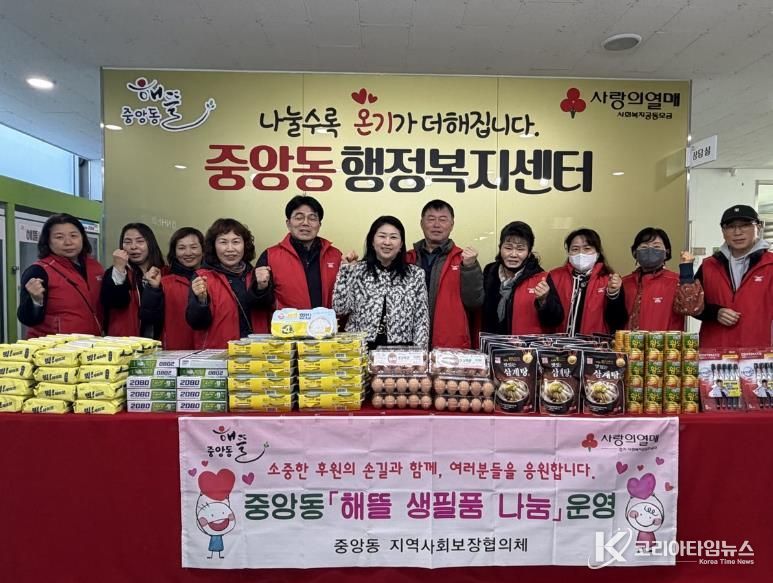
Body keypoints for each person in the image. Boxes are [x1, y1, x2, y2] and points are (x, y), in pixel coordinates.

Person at [332, 216, 429, 349]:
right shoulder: (357, 270)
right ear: (372, 241)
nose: (387, 242)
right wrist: (346, 271)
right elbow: (339, 308)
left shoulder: (415, 274)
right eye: (382, 236)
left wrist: (420, 355)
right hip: (361, 349)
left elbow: (421, 321)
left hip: (401, 351)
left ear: (401, 244)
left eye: (393, 237)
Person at [688, 205, 772, 349]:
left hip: (759, 353)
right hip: (715, 352)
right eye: (731, 227)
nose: (737, 232)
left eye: (745, 225)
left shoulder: (770, 264)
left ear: (758, 227)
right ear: (723, 231)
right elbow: (691, 305)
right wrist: (715, 313)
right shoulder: (709, 265)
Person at [406, 200, 483, 349]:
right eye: (431, 219)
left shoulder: (464, 259)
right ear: (421, 223)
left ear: (452, 225)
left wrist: (470, 268)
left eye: (443, 219)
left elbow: (474, 302)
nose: (436, 225)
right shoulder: (407, 259)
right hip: (410, 343)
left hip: (450, 345)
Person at [256, 195, 352, 310]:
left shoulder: (335, 255)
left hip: (326, 321)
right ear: (288, 223)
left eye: (312, 218)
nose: (305, 223)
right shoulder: (270, 256)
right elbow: (258, 305)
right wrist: (261, 288)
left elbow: (347, 299)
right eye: (299, 217)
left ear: (319, 225)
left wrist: (352, 274)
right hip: (287, 322)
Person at [186, 218, 269, 348]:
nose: (230, 249)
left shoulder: (257, 275)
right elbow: (197, 323)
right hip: (219, 353)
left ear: (245, 245)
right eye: (223, 242)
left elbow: (266, 311)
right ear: (213, 246)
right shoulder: (202, 277)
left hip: (257, 351)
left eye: (236, 242)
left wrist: (262, 288)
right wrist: (201, 301)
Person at [17, 213, 104, 337]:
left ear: (82, 238)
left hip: (92, 343)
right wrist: (35, 301)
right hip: (54, 346)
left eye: (73, 236)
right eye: (59, 237)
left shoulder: (95, 267)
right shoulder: (38, 271)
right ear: (48, 241)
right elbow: (27, 319)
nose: (68, 242)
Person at [481, 221, 563, 335]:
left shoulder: (540, 278)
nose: (513, 254)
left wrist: (544, 301)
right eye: (508, 248)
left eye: (520, 249)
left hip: (523, 345)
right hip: (490, 342)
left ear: (529, 253)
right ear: (500, 248)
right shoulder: (490, 271)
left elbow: (555, 320)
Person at [547, 228, 626, 336]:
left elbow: (618, 322)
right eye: (575, 249)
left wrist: (613, 295)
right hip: (560, 344)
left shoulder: (610, 279)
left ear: (597, 253)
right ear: (568, 253)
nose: (581, 253)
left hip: (595, 344)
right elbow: (549, 319)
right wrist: (543, 300)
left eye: (587, 248)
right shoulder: (554, 276)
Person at [141, 227, 204, 349]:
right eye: (181, 248)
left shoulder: (212, 280)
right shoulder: (164, 282)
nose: (188, 253)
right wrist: (153, 289)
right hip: (173, 352)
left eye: (194, 247)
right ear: (174, 252)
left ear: (203, 249)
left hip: (207, 351)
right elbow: (148, 317)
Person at [619, 228, 692, 331]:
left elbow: (691, 308)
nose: (650, 250)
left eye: (656, 246)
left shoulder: (677, 281)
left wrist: (687, 270)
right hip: (629, 341)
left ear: (666, 252)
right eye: (644, 247)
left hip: (665, 341)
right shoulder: (624, 283)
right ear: (635, 252)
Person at [101, 222, 165, 338]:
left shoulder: (164, 273)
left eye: (140, 241)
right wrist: (119, 270)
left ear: (150, 244)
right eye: (127, 242)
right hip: (125, 342)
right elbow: (116, 303)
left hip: (158, 341)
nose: (133, 247)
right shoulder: (114, 273)